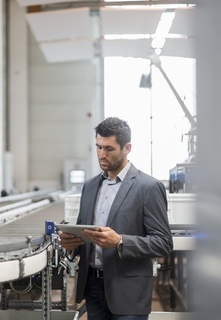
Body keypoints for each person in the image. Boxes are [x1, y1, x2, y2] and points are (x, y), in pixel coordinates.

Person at [59, 117, 173, 320]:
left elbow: (163, 243)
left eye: (109, 149)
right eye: (98, 147)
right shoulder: (90, 187)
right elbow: (84, 235)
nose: (102, 155)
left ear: (127, 148)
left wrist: (120, 241)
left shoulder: (148, 187)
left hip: (129, 291)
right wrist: (72, 244)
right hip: (93, 288)